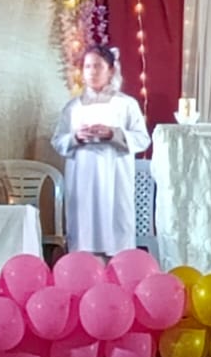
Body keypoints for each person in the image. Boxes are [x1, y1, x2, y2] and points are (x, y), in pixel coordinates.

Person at [51, 45, 151, 257]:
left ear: (111, 70)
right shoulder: (73, 107)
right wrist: (76, 137)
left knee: (116, 226)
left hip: (115, 178)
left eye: (98, 66)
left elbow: (142, 139)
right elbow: (58, 140)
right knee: (83, 230)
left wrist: (113, 134)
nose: (92, 72)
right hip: (81, 178)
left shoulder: (125, 104)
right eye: (87, 66)